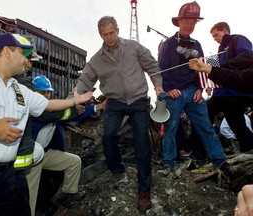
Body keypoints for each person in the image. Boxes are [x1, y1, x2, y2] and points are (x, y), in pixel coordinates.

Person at [0, 32, 92, 216]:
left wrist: (74, 101)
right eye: (21, 53)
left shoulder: (20, 90)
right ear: (7, 52)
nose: (26, 60)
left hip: (10, 177)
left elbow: (48, 105)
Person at [74, 15, 163, 212]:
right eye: (105, 34)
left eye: (112, 33)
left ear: (117, 30)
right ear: (100, 35)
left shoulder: (134, 47)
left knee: (142, 143)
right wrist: (76, 96)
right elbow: (84, 80)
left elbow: (152, 67)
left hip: (138, 99)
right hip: (114, 101)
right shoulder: (97, 59)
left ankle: (144, 190)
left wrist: (158, 87)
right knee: (108, 136)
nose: (109, 37)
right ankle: (116, 169)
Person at [157, 1, 227, 175]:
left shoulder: (197, 44)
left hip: (193, 91)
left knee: (206, 127)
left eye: (193, 22)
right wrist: (168, 89)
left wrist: (199, 89)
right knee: (170, 128)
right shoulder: (168, 44)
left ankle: (220, 162)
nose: (189, 25)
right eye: (186, 21)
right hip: (175, 94)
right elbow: (161, 70)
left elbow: (201, 70)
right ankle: (168, 163)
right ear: (179, 22)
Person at [26, 75, 107, 216]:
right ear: (34, 93)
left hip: (44, 154)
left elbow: (70, 115)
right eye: (42, 92)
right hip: (30, 158)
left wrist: (98, 107)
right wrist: (73, 106)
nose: (46, 95)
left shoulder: (53, 108)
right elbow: (58, 114)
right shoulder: (32, 110)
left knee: (74, 161)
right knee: (30, 197)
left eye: (48, 92)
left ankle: (69, 193)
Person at [206, 22, 253, 152]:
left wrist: (223, 67)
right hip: (226, 92)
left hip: (237, 90)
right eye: (213, 37)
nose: (215, 38)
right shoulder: (221, 50)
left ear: (225, 31)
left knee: (205, 110)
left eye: (216, 34)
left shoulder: (237, 39)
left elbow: (248, 57)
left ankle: (199, 150)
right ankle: (249, 149)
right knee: (238, 126)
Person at [189, 51, 253, 92]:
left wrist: (209, 68)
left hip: (234, 95)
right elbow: (242, 78)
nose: (215, 38)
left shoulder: (238, 40)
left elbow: (242, 78)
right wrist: (208, 68)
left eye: (216, 35)